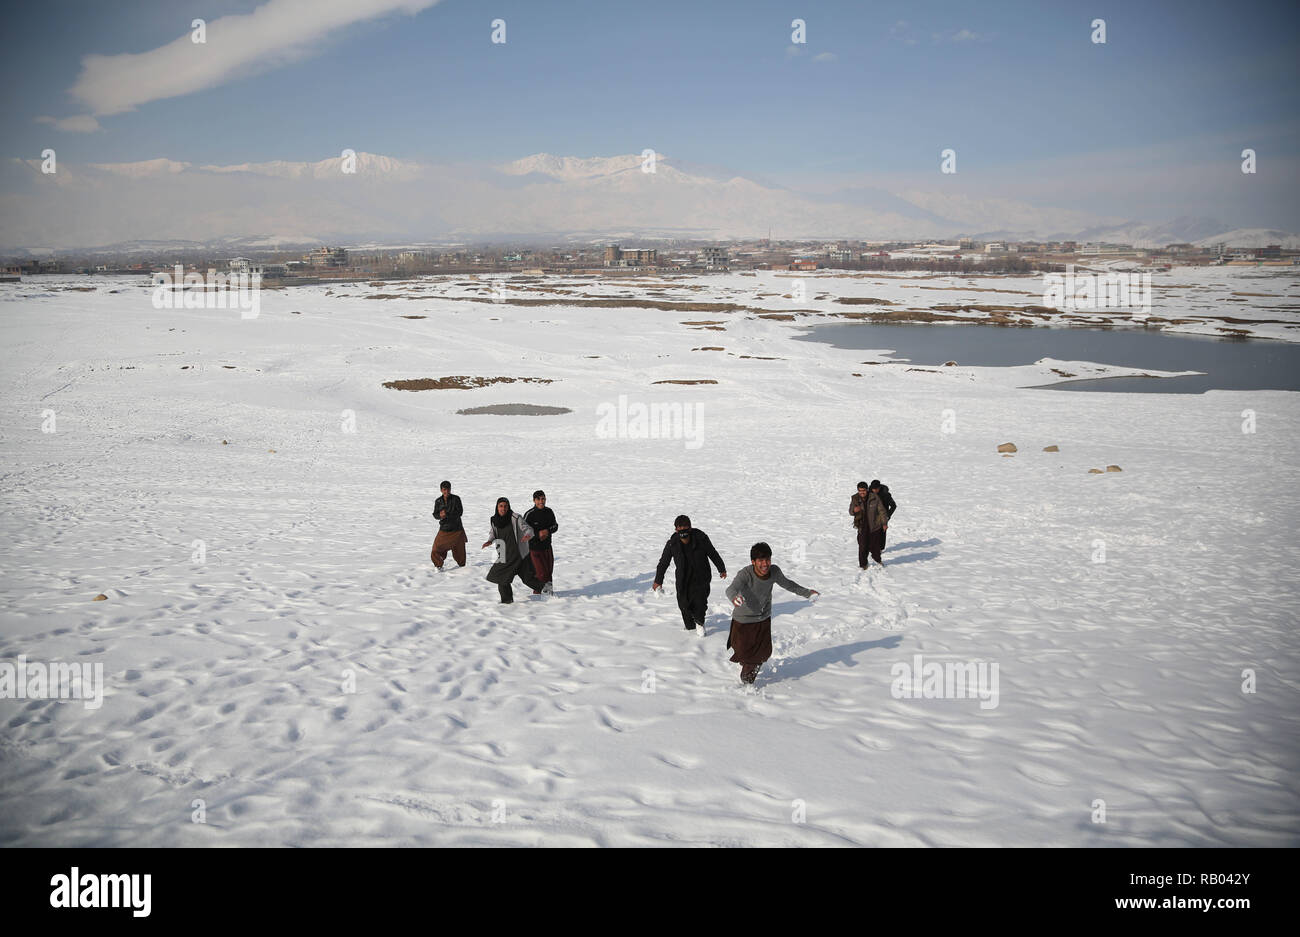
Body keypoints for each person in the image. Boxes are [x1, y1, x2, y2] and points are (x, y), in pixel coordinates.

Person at [725, 543, 818, 684]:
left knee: (763, 653)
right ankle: (748, 670)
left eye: (767, 560)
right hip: (743, 620)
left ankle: (748, 679)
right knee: (744, 652)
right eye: (761, 561)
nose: (765, 564)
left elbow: (789, 584)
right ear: (753, 562)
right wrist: (734, 598)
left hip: (763, 617)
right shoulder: (745, 574)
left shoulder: (774, 572)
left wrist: (807, 593)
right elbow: (731, 589)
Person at [652, 515, 727, 632]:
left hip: (701, 577)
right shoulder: (672, 544)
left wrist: (721, 568)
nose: (683, 533)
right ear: (676, 530)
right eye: (680, 530)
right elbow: (663, 563)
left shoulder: (701, 539)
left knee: (700, 603)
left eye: (686, 529)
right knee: (684, 605)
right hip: (683, 579)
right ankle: (691, 629)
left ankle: (700, 624)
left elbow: (713, 553)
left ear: (690, 528)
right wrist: (658, 580)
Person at [481, 497, 544, 603]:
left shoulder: (515, 518)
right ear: (497, 507)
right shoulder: (494, 519)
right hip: (504, 554)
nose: (503, 508)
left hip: (518, 554)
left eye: (505, 506)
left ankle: (547, 589)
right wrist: (490, 541)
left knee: (528, 579)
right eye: (501, 506)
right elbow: (493, 532)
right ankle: (507, 602)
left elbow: (528, 529)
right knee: (502, 578)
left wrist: (528, 535)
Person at [849, 480, 894, 569]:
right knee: (862, 546)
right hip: (862, 526)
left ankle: (877, 559)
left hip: (875, 526)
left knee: (876, 546)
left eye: (864, 491)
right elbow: (850, 511)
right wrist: (854, 510)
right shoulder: (855, 498)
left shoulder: (874, 497)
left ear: (867, 490)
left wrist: (884, 523)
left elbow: (882, 511)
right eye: (860, 491)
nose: (862, 493)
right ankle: (863, 564)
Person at [523, 490, 558, 595]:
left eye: (543, 499)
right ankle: (537, 595)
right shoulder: (529, 514)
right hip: (534, 548)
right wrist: (538, 534)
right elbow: (524, 532)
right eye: (538, 499)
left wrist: (547, 531)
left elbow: (555, 526)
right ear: (534, 500)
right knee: (540, 573)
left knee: (548, 572)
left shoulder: (549, 512)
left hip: (547, 547)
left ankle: (549, 593)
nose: (541, 501)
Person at [430, 480, 467, 569]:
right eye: (444, 489)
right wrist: (440, 515)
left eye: (448, 489)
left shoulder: (456, 499)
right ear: (441, 490)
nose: (446, 491)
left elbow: (460, 512)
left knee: (460, 551)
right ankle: (438, 566)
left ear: (450, 489)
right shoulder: (438, 501)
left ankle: (463, 569)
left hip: (457, 529)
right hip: (444, 529)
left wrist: (447, 514)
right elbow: (435, 514)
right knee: (436, 549)